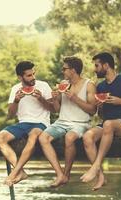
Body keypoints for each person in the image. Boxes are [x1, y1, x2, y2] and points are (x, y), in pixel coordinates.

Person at [81, 52, 121, 190]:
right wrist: (100, 107)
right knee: (87, 136)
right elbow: (103, 116)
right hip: (108, 125)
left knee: (108, 124)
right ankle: (101, 176)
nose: (95, 69)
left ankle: (95, 167)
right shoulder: (101, 87)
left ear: (106, 65)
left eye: (97, 66)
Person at [39, 56, 97, 187]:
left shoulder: (89, 85)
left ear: (73, 70)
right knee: (43, 138)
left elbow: (93, 110)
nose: (62, 71)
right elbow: (57, 110)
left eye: (64, 69)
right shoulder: (63, 83)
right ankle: (60, 174)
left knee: (69, 137)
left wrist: (75, 98)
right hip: (62, 122)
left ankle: (66, 174)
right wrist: (54, 99)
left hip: (81, 123)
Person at [0, 61, 54, 186]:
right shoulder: (15, 89)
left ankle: (14, 173)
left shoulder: (43, 86)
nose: (33, 77)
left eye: (33, 74)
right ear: (20, 77)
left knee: (32, 136)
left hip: (41, 123)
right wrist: (16, 100)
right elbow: (10, 114)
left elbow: (54, 109)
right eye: (29, 75)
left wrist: (41, 99)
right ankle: (21, 172)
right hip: (22, 124)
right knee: (0, 138)